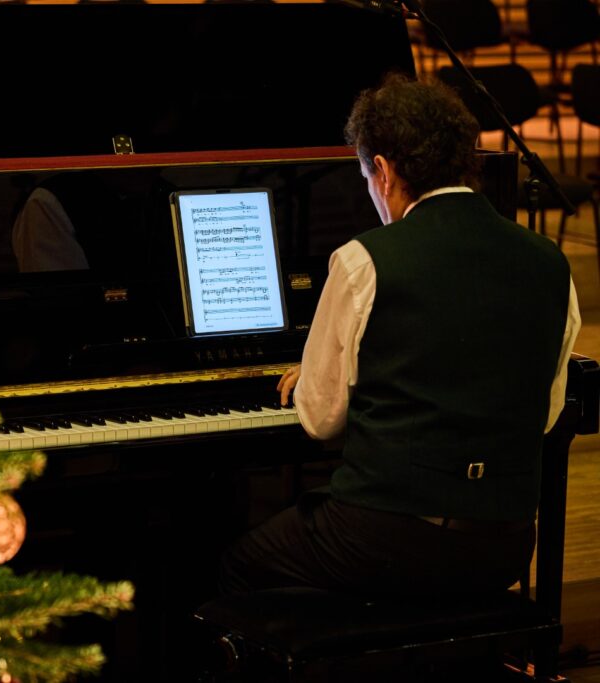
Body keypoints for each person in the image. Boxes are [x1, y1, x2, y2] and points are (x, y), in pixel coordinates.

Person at [218, 73, 581, 597]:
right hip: (504, 546)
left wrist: (323, 373)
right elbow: (543, 415)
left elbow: (320, 420)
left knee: (236, 566)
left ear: (383, 172)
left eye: (366, 176)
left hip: (383, 541)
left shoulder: (363, 260)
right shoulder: (551, 262)